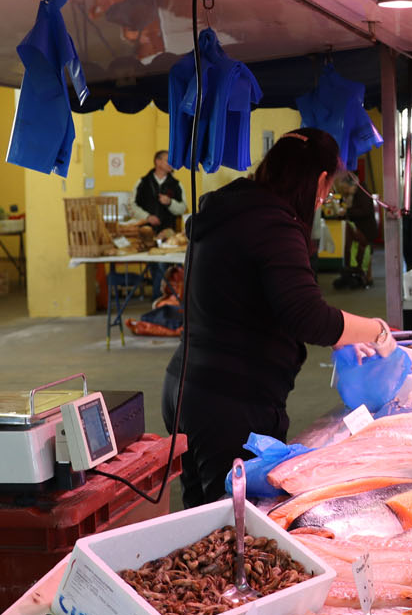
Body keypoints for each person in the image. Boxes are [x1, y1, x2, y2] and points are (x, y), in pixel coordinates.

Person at [162, 128, 396, 507]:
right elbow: (307, 316)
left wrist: (344, 334)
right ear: (320, 180)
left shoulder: (233, 211)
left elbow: (266, 301)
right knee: (236, 523)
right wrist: (376, 329)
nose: (322, 201)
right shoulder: (274, 223)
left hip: (189, 389)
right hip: (231, 401)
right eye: (327, 192)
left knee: (203, 515)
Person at [335, 172, 381, 289]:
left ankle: (367, 278)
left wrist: (347, 212)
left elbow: (364, 211)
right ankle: (363, 277)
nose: (344, 190)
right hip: (360, 228)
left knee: (365, 254)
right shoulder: (355, 192)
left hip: (365, 229)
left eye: (345, 187)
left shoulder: (362, 193)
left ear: (352, 185)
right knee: (362, 253)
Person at [132, 149, 185, 231]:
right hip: (144, 232)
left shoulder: (177, 184)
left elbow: (183, 209)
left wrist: (170, 203)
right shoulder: (142, 182)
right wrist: (147, 217)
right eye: (169, 160)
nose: (172, 164)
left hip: (168, 233)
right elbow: (132, 205)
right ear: (158, 161)